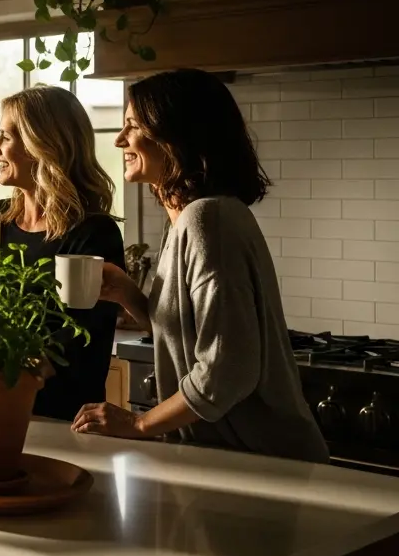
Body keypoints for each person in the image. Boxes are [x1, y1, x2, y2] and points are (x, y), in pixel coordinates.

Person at [72, 68, 328, 463]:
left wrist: (140, 424)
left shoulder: (208, 220)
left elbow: (227, 369)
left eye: (133, 126)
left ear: (174, 135)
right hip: (229, 459)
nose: (120, 139)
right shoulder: (185, 221)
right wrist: (129, 296)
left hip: (265, 463)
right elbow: (191, 340)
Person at [0, 85, 127, 421]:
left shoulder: (93, 233)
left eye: (6, 137)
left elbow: (76, 339)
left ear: (43, 145)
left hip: (61, 419)